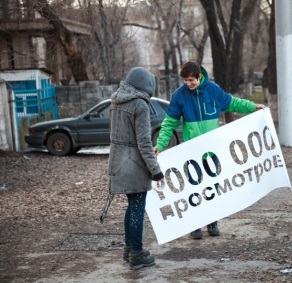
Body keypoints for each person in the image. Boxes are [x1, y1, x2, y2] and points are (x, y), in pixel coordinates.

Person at [154, 61, 265, 240]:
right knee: (194, 187)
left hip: (212, 152)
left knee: (213, 187)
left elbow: (234, 103)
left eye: (191, 80)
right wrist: (160, 145)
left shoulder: (213, 90)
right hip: (191, 152)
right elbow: (169, 124)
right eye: (185, 80)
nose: (188, 84)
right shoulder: (179, 96)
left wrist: (253, 107)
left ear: (200, 77)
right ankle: (195, 224)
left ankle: (212, 222)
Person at [108, 67, 164, 270]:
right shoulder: (140, 105)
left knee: (132, 206)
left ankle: (129, 248)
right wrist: (156, 170)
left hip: (117, 160)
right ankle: (137, 254)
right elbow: (144, 142)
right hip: (134, 165)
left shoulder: (115, 101)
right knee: (138, 208)